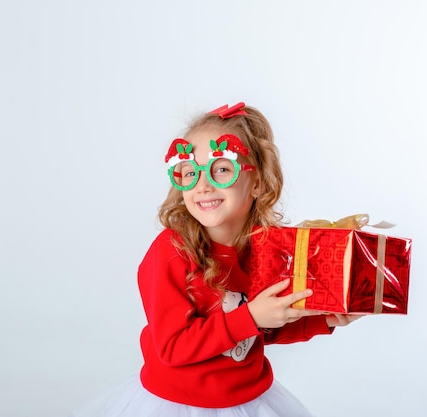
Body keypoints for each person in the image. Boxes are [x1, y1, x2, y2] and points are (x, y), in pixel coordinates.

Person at [69, 102, 362, 417]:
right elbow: (172, 347)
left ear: (258, 182)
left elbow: (263, 327)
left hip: (248, 399)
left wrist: (324, 319)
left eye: (222, 168)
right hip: (178, 403)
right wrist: (250, 316)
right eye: (191, 172)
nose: (203, 184)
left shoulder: (264, 248)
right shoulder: (170, 251)